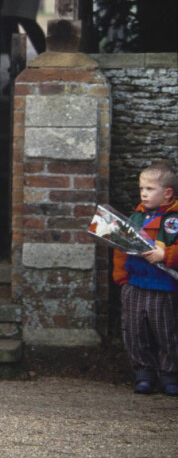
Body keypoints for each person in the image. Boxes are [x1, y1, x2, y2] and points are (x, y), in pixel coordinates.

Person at [112, 163, 178, 397]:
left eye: (149, 189)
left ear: (167, 193)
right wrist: (122, 279)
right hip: (135, 284)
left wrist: (166, 255)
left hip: (164, 286)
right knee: (134, 331)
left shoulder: (175, 219)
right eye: (142, 188)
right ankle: (144, 374)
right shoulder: (135, 218)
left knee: (166, 332)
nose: (143, 193)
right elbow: (120, 248)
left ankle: (169, 375)